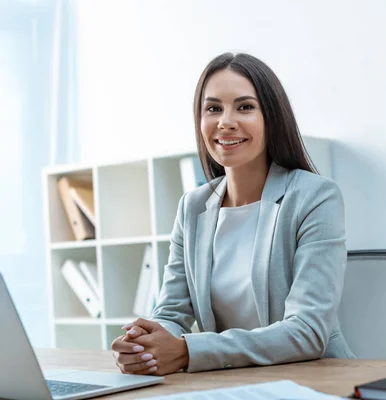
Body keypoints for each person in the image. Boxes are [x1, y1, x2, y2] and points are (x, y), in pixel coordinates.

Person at [111, 52, 355, 375]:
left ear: (271, 116)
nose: (225, 121)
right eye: (213, 108)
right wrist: (145, 343)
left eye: (244, 107)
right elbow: (170, 313)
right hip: (228, 384)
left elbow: (307, 331)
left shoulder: (315, 197)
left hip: (315, 382)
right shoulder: (193, 207)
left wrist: (188, 351)